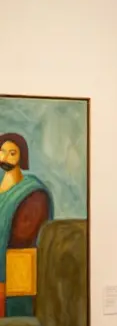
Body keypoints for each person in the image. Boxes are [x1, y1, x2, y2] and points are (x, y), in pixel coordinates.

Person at [0, 132, 51, 316]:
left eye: (12, 153)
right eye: (2, 151)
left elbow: (23, 237)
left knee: (15, 321)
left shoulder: (32, 193)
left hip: (17, 267)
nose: (5, 157)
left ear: (22, 156)